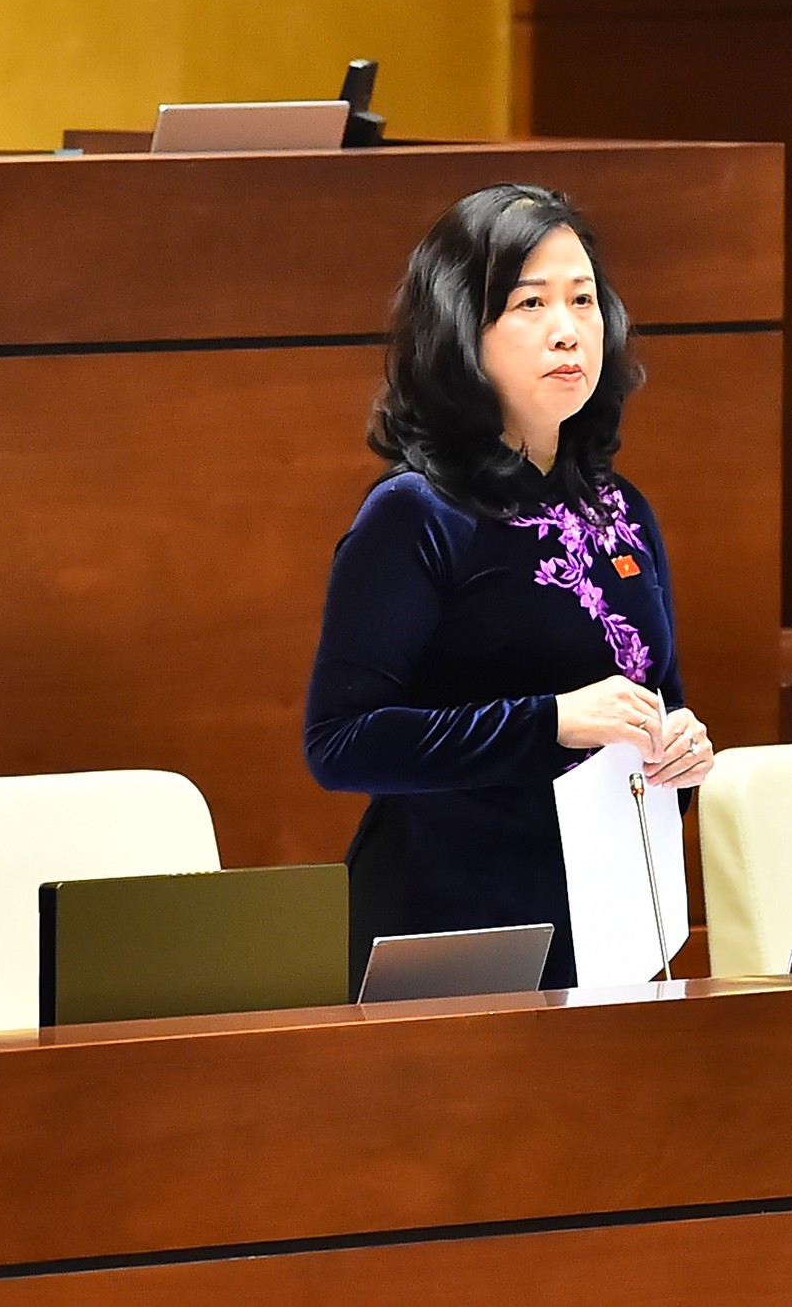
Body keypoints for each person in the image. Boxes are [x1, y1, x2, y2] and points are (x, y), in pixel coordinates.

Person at [303, 183, 713, 991]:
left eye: (584, 299)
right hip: (455, 936)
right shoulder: (416, 513)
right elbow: (340, 742)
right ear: (464, 328)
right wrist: (550, 721)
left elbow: (653, 700)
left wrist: (678, 749)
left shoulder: (622, 509)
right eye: (530, 303)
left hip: (612, 928)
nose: (568, 330)